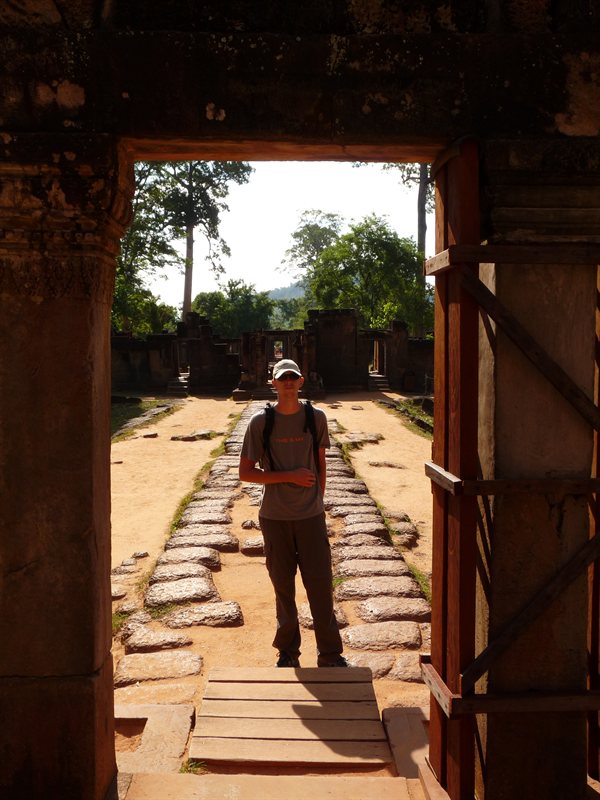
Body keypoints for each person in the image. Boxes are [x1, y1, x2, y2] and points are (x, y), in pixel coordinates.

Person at [239, 358, 348, 668]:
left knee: (320, 584)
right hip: (275, 516)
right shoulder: (261, 422)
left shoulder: (316, 418)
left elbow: (321, 463)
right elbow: (246, 473)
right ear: (273, 383)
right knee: (283, 587)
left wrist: (317, 499)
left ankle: (330, 653)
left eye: (293, 377)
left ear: (301, 381)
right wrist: (290, 476)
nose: (288, 382)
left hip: (310, 516)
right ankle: (288, 652)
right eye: (282, 377)